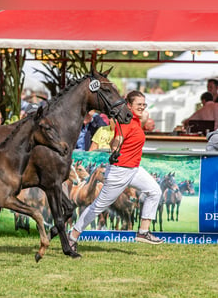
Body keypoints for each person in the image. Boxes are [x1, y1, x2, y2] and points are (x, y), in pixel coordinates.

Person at [68, 90, 163, 257]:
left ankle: (143, 232)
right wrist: (114, 149)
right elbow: (117, 140)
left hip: (134, 169)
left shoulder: (134, 119)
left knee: (155, 191)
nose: (142, 107)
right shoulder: (124, 122)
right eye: (138, 104)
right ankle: (72, 237)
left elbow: (143, 117)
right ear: (129, 105)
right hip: (120, 171)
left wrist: (138, 111)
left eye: (143, 104)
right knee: (98, 207)